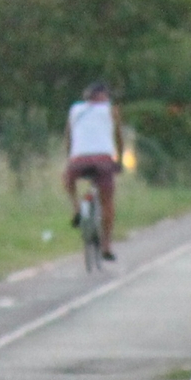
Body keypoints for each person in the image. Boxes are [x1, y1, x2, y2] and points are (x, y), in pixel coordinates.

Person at [64, 83, 124, 261]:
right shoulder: (111, 111)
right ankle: (106, 246)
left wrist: (70, 159)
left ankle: (76, 207)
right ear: (104, 97)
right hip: (103, 161)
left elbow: (68, 137)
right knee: (107, 203)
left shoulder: (75, 110)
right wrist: (119, 161)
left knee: (68, 180)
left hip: (79, 160)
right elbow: (118, 138)